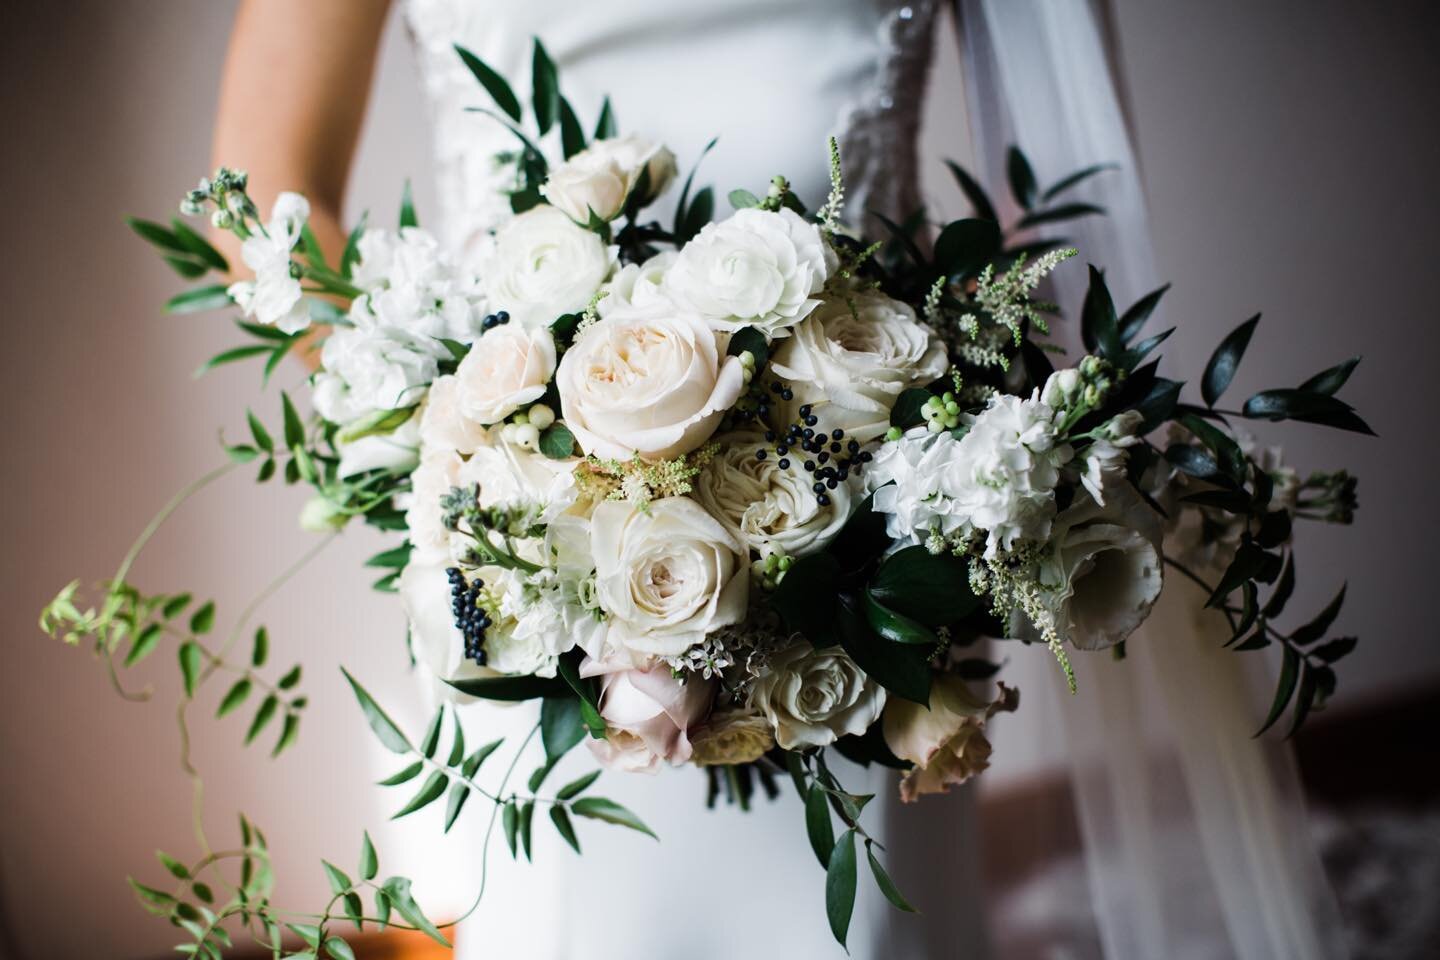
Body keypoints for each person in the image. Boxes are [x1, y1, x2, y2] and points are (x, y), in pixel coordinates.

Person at [212, 2, 1342, 957]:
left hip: (879, 564)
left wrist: (971, 452)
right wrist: (456, 426)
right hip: (526, 563)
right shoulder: (510, 528)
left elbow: (1056, 193)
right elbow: (268, 189)